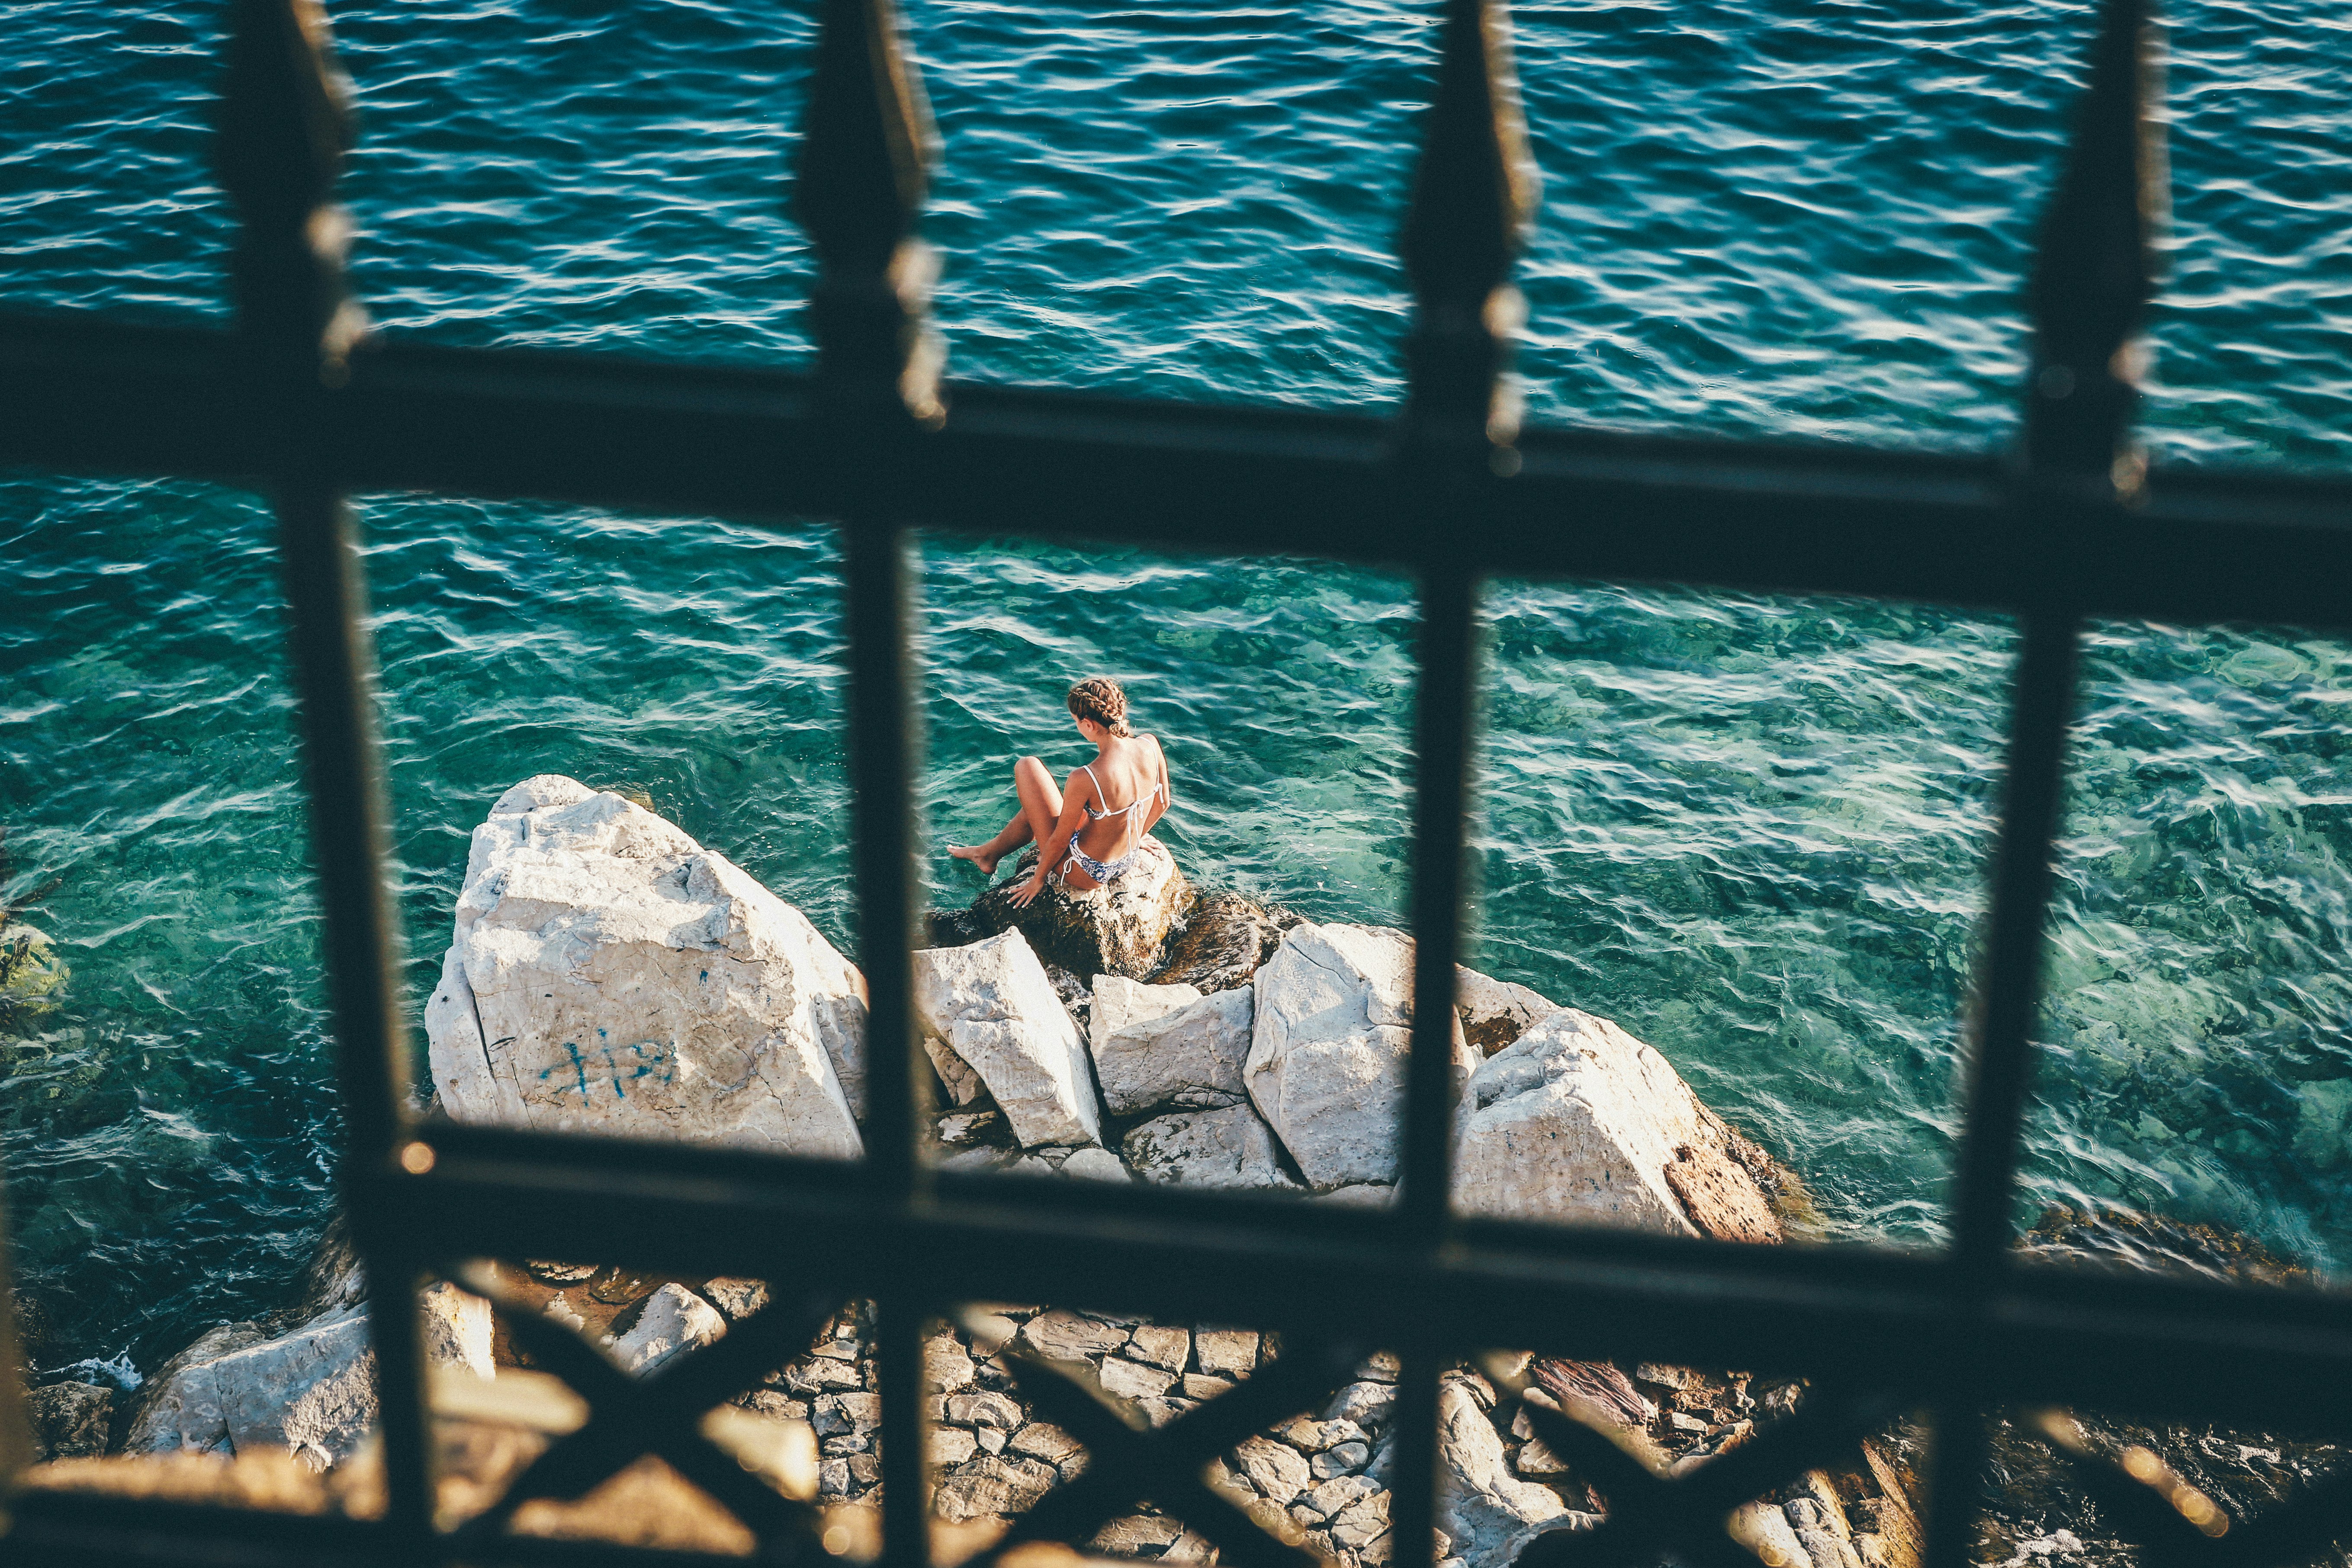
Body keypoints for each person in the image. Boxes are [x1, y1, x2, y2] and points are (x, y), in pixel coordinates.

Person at [948, 676, 1170, 906]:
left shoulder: (1087, 776)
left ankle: (986, 856)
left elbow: (1060, 840)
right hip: (1126, 860)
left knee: (1028, 766)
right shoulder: (1150, 744)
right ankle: (987, 856)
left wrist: (1038, 879)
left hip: (1085, 872)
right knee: (1036, 809)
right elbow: (1163, 803)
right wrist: (1136, 838)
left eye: (1076, 721)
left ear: (1088, 724)